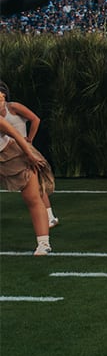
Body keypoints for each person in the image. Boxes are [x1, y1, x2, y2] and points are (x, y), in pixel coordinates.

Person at [0, 83, 55, 255]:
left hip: (16, 156)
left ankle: (43, 243)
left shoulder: (7, 113)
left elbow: (16, 135)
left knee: (32, 197)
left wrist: (30, 154)